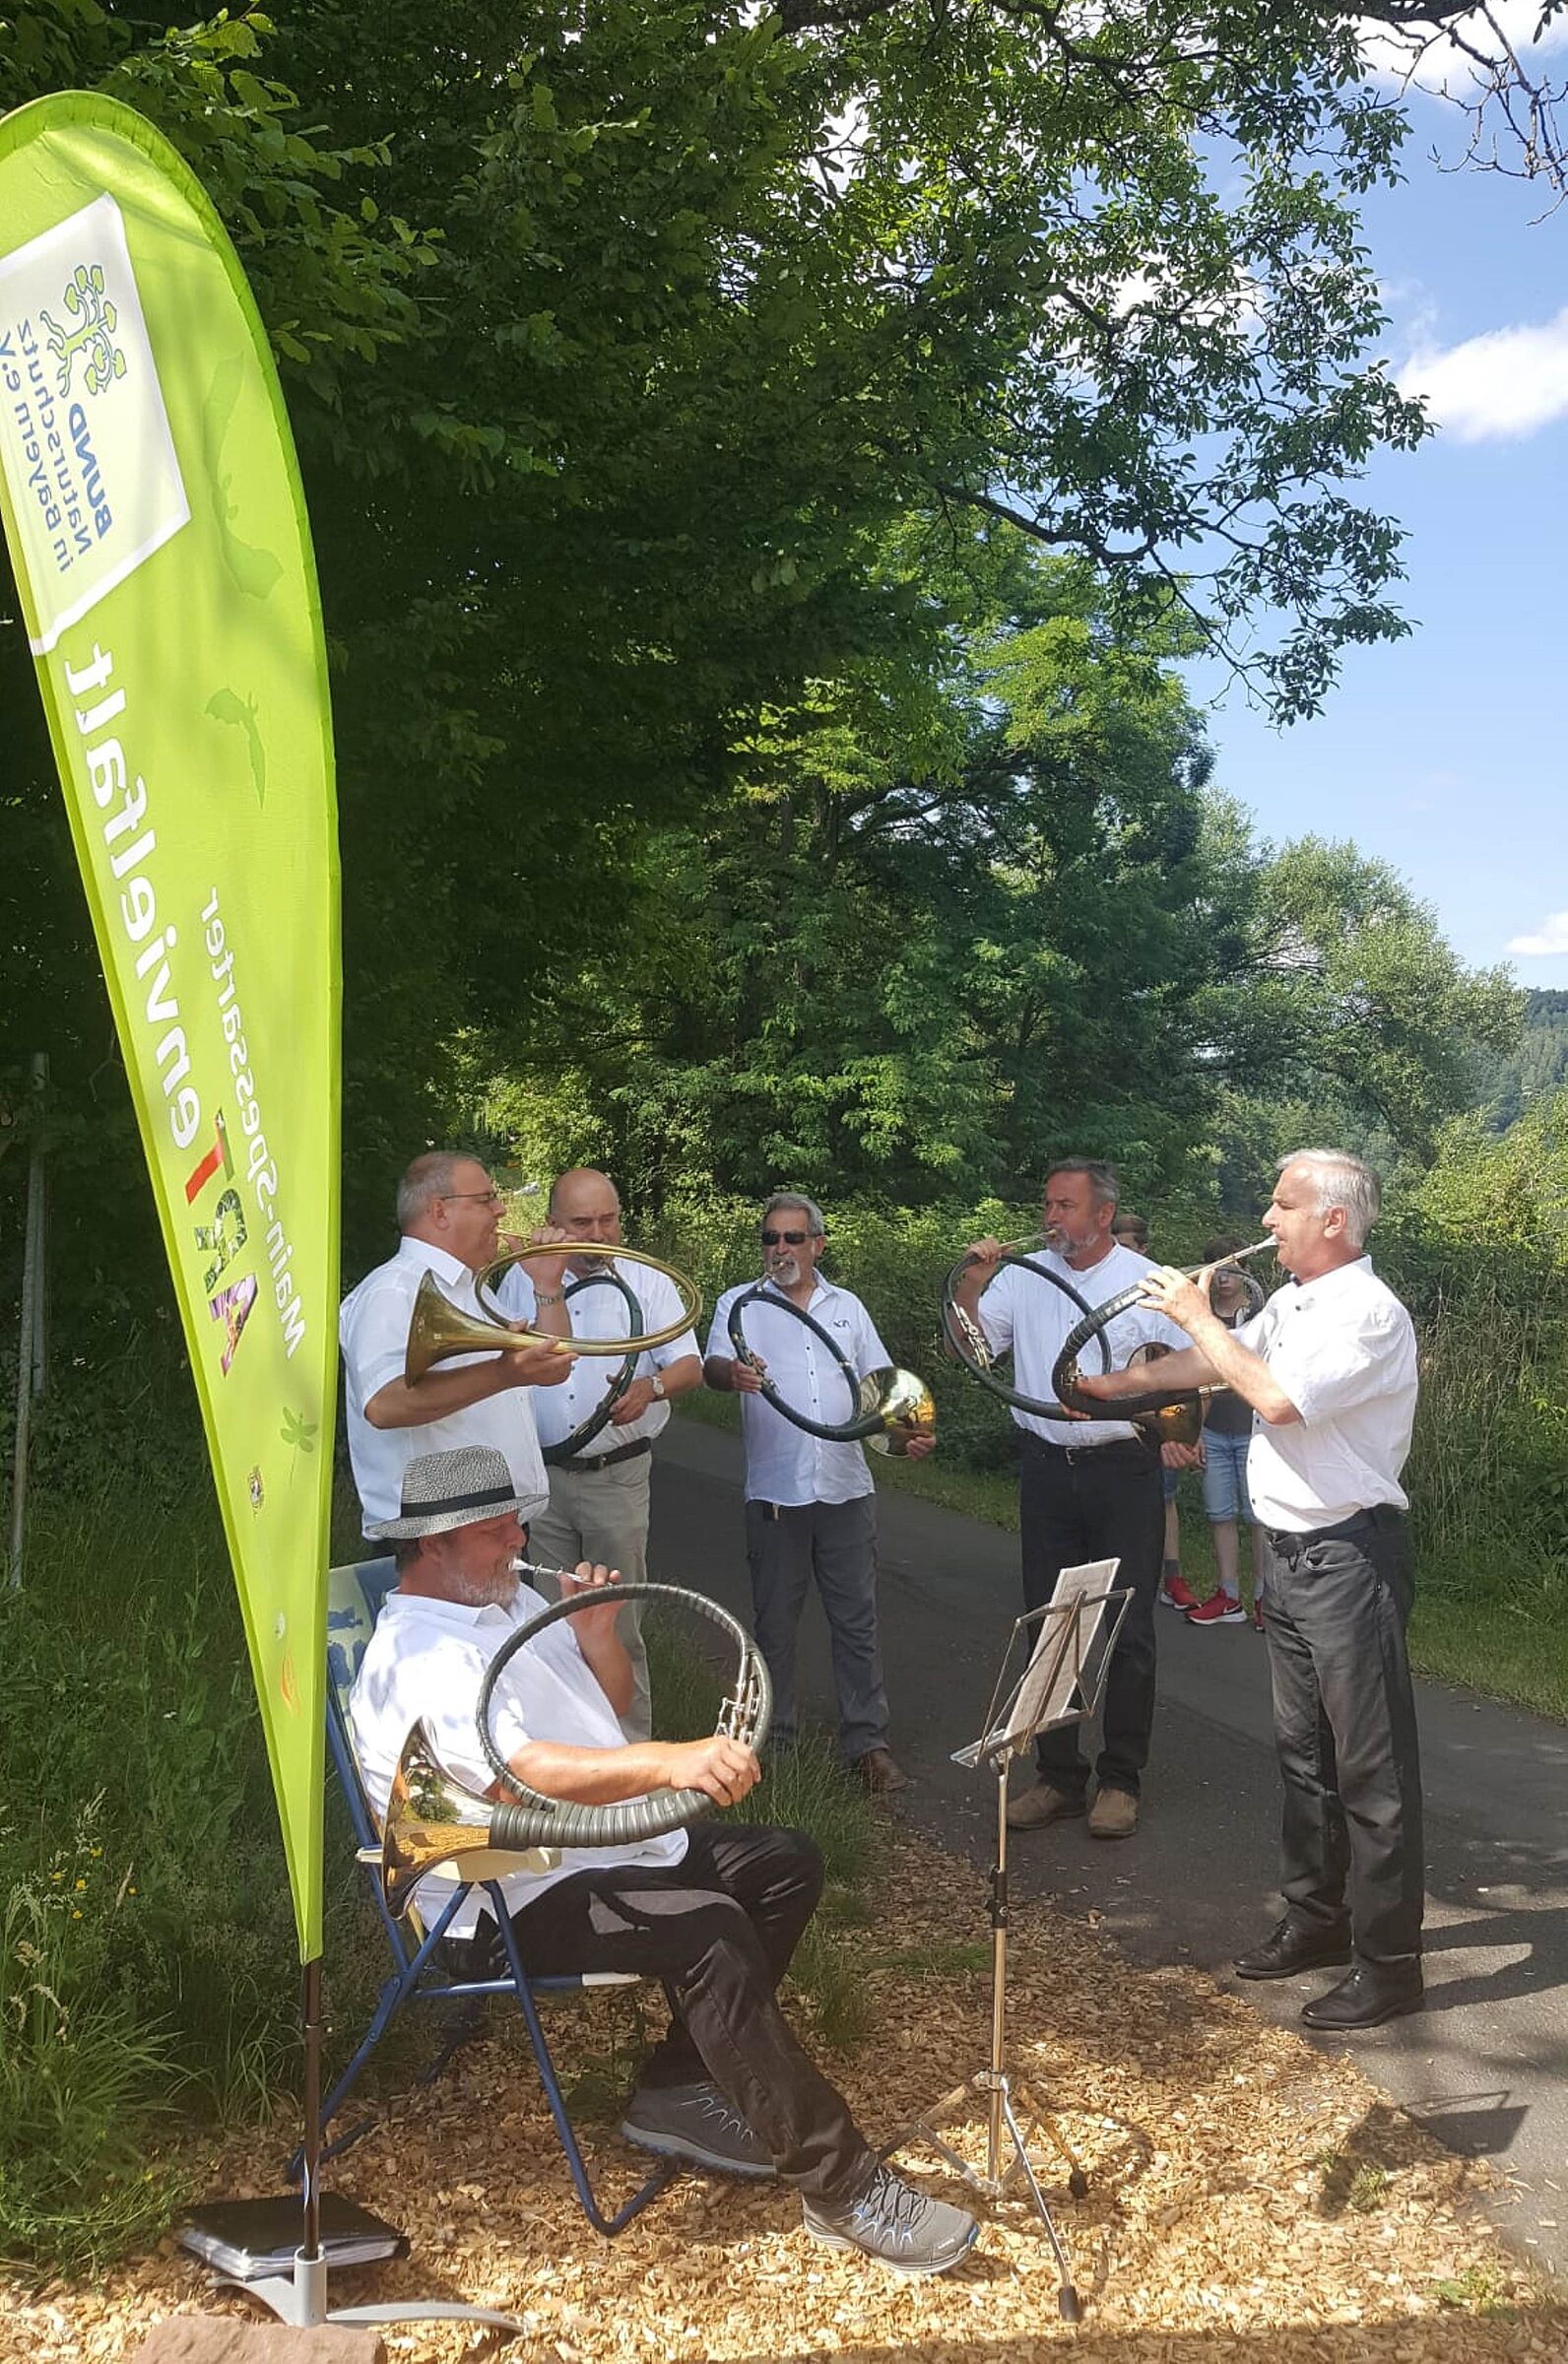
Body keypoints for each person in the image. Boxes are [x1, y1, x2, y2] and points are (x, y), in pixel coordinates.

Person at [349, 1444, 979, 2278]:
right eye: (497, 1527)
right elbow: (519, 1774)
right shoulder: (422, 1654)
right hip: (500, 1899)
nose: (518, 1536)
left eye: (513, 1520)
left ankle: (677, 2087)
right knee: (707, 1931)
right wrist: (673, 1760)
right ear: (433, 1543)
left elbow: (598, 1717)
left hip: (579, 1856)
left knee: (786, 1863)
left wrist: (596, 1635)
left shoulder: (495, 1611)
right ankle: (843, 2186)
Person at [1074, 1150, 1423, 2030]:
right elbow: (1209, 1368)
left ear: (1333, 1220)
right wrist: (1111, 1388)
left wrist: (1195, 1309)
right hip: (1290, 1561)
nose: (1267, 1221)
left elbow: (1271, 1399)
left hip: (1350, 1561)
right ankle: (1317, 1922)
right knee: (1303, 1757)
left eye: (1283, 1205)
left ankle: (1391, 1967)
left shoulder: (1369, 1315)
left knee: (1371, 1775)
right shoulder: (1294, 1302)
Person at [951, 1161, 1190, 1840]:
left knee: (1129, 1626)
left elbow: (1193, 1368)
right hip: (1047, 1468)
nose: (1051, 1216)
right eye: (1048, 1204)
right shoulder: (1023, 1277)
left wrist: (1178, 1428)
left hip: (1124, 1467)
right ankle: (1058, 1776)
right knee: (1051, 1621)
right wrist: (972, 1283)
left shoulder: (1145, 1283)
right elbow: (968, 1351)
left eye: (1065, 1205)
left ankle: (1121, 1780)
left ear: (1103, 1216)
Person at [703, 1192, 934, 1794]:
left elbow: (881, 1387)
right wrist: (733, 1374)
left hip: (844, 1489)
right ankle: (771, 1747)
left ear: (817, 1245)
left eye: (793, 1239)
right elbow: (711, 1368)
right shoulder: (740, 1305)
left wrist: (908, 1434)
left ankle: (868, 1744)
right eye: (771, 1238)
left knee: (856, 1621)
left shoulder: (847, 1308)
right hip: (777, 1492)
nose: (781, 1249)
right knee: (775, 1624)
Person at [497, 1167, 702, 1742]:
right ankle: (559, 1752)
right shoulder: (521, 1279)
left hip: (617, 1478)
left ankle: (630, 1755)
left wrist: (652, 1388)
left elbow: (689, 1364)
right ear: (553, 1224)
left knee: (618, 1617)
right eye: (581, 1222)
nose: (597, 1233)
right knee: (542, 1620)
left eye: (607, 1220)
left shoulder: (648, 1280)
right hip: (541, 1479)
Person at [339, 1150, 575, 1537]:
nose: (500, 1210)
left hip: (487, 1531)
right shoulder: (393, 1290)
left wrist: (548, 1288)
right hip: (436, 1541)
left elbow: (556, 1365)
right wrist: (503, 1373)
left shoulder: (473, 1291)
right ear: (439, 1212)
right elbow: (384, 1404)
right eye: (486, 1199)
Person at [1184, 1234, 1270, 1632]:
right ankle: (1227, 1594)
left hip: (1255, 1432)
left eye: (1231, 1266)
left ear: (1245, 1272)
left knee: (1259, 1518)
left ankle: (1266, 1599)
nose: (1222, 1276)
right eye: (1214, 1266)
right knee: (1219, 1514)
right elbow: (1190, 1379)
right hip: (1213, 1431)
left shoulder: (1262, 1315)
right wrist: (1192, 1432)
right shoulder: (1200, 1320)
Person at [1114, 1210, 1198, 1613]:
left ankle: (1170, 1575)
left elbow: (1190, 1371)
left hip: (1153, 1427)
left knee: (1163, 1502)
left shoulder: (1160, 1296)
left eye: (1127, 1246)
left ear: (1143, 1249)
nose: (1119, 1253)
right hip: (1113, 1429)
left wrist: (1179, 1431)